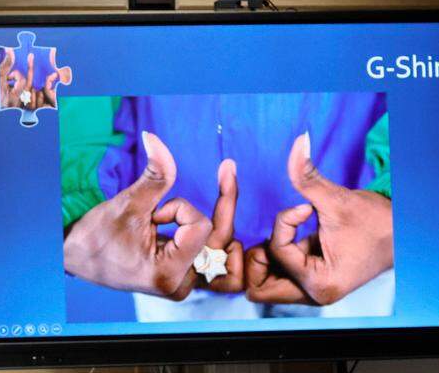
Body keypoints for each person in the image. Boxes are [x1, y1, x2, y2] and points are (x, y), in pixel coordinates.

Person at [60, 93, 392, 321]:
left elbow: (415, 58)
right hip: (169, 255)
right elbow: (80, 63)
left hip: (355, 242)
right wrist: (77, 219)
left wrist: (391, 202)